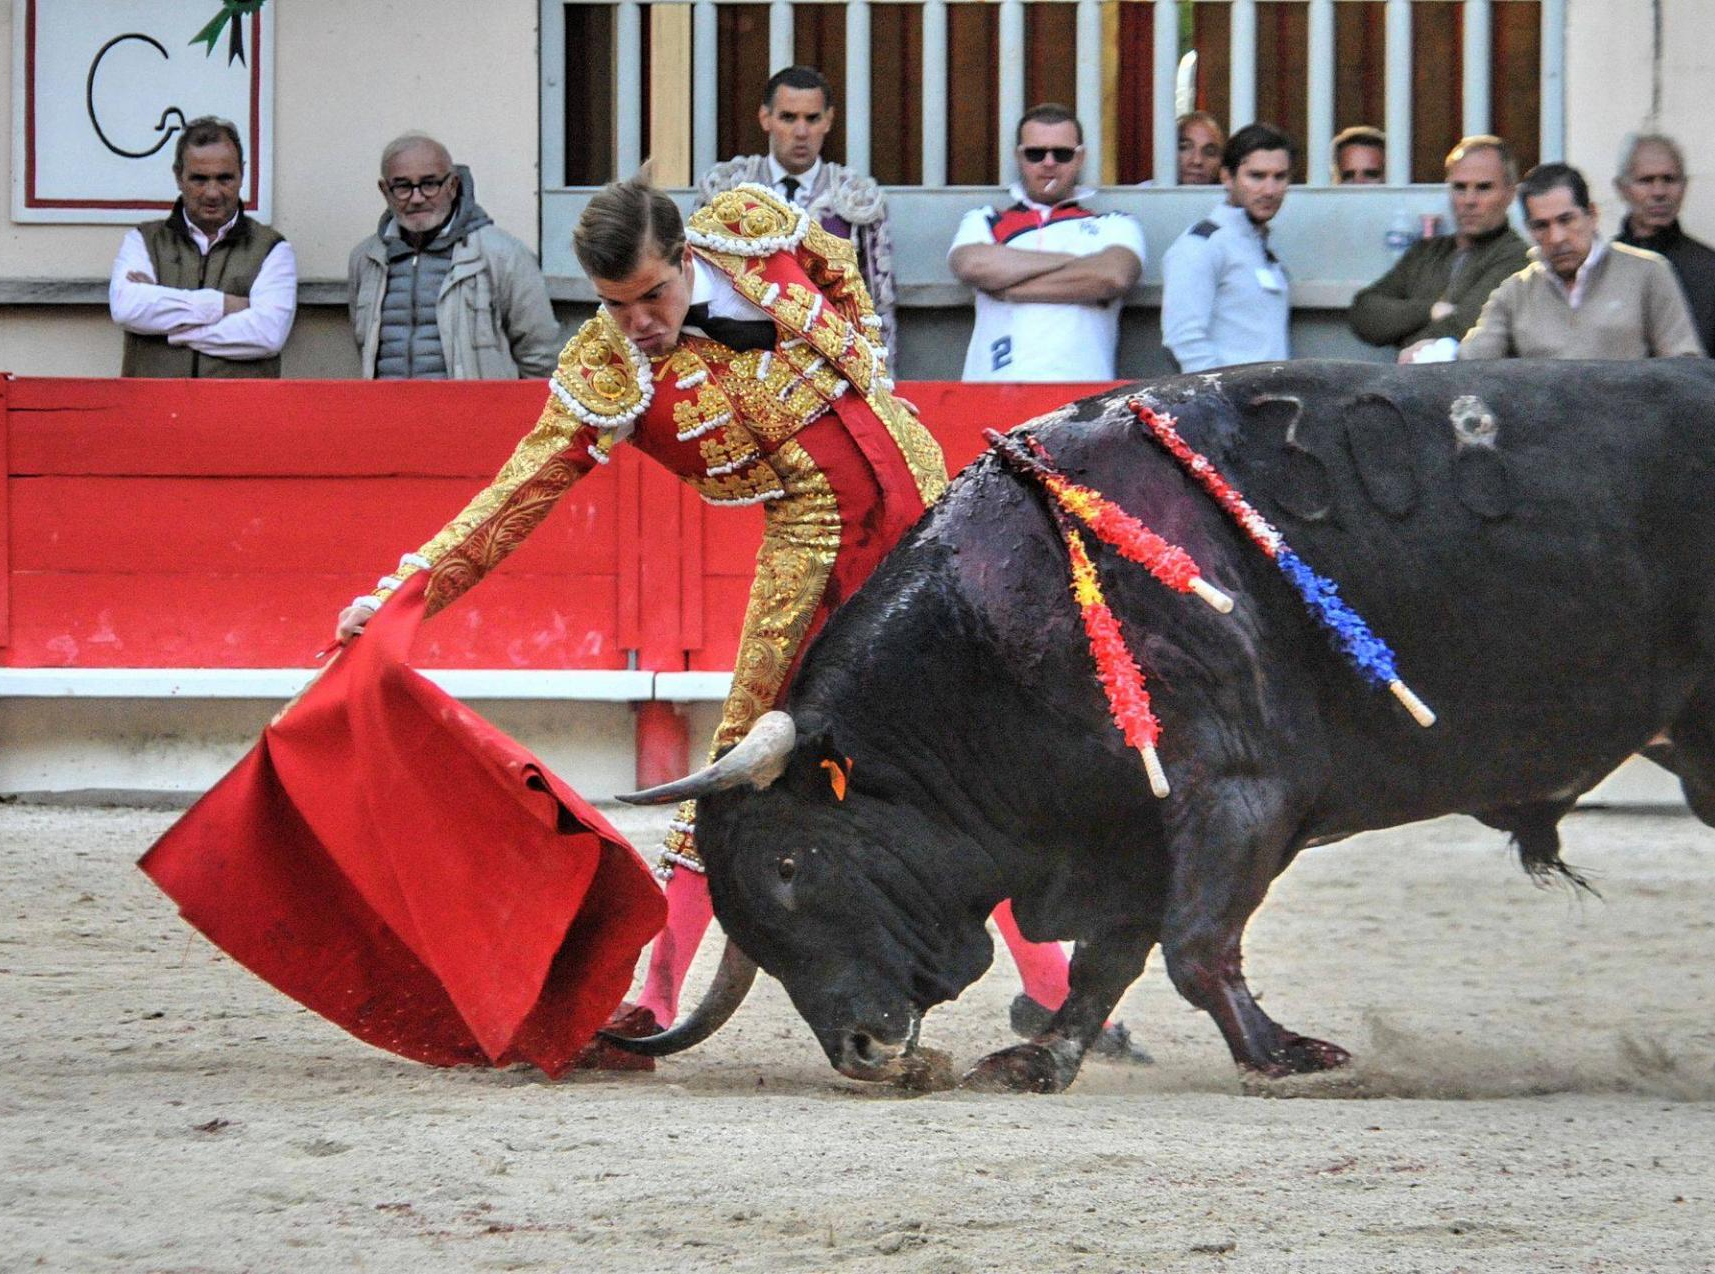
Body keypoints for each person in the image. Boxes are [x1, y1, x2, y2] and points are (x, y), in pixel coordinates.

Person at [334, 178, 1137, 1059]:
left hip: (938, 523)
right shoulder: (607, 371)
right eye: (616, 304)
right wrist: (400, 595)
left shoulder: (752, 229)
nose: (639, 321)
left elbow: (836, 266)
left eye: (653, 295)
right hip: (821, 557)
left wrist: (867, 363)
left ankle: (1059, 997)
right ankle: (654, 995)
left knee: (979, 762)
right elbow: (516, 495)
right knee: (738, 761)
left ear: (687, 255)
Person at [699, 66, 899, 362]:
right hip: (740, 356)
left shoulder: (856, 196)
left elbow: (878, 302)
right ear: (765, 119)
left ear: (828, 121)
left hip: (830, 358)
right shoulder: (726, 189)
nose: (801, 132)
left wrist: (881, 378)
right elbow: (700, 284)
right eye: (788, 117)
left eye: (812, 118)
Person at [948, 103, 1145, 382]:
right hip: (993, 387)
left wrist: (1010, 290)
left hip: (1082, 394)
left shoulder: (1115, 223)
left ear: (1080, 158)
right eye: (1036, 153)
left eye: (1062, 154)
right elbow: (972, 265)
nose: (1049, 162)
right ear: (1019, 157)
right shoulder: (985, 219)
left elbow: (1113, 276)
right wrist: (1076, 262)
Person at [1438, 163, 1702, 362]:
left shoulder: (1648, 273)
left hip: (1631, 429)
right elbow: (1472, 363)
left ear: (1592, 215)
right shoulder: (1515, 293)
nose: (1557, 237)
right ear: (1529, 230)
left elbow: (1684, 368)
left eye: (1566, 220)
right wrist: (1436, 353)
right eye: (1541, 226)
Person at [347, 133, 559, 379]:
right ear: (385, 190)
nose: (417, 198)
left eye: (429, 184)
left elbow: (540, 358)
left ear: (452, 185)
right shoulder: (366, 259)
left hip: (474, 414)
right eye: (403, 187)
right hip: (387, 414)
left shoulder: (504, 255)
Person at [108, 116, 296, 377]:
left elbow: (267, 333)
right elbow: (126, 307)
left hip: (238, 415)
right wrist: (221, 306)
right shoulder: (143, 240)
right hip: (153, 412)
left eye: (224, 178)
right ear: (178, 176)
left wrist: (169, 322)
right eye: (199, 179)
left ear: (242, 174)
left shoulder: (271, 249)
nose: (212, 192)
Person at [1349, 135, 1529, 352]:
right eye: (1460, 187)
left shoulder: (1517, 258)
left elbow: (1466, 327)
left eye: (1483, 188)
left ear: (1509, 194)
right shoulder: (1427, 252)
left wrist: (1408, 334)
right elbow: (1363, 313)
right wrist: (1430, 310)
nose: (1469, 200)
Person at [1161, 123, 1294, 372]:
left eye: (1280, 177)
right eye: (1256, 176)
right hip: (1230, 404)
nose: (1270, 190)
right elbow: (1182, 340)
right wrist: (1223, 400)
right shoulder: (1202, 244)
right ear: (1226, 177)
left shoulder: (1261, 247)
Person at [1614, 132, 1715, 357]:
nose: (1659, 192)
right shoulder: (1600, 266)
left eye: (1669, 179)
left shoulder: (1713, 271)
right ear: (1621, 189)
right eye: (1646, 180)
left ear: (1685, 186)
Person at [1177, 112, 1226, 186]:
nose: (1197, 161)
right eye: (1185, 147)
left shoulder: (1235, 195)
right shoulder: (1153, 195)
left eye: (1210, 152)